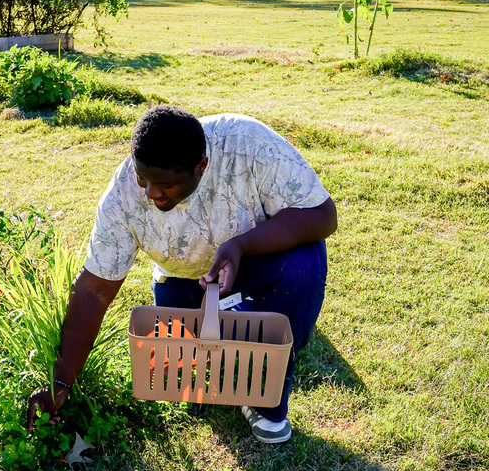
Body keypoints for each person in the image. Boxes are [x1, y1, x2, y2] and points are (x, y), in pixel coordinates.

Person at [27, 105, 337, 444]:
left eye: (165, 185)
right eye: (143, 179)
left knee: (302, 267)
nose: (151, 194)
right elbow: (94, 291)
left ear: (200, 167)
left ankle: (264, 392)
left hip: (257, 260)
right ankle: (232, 319)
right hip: (182, 280)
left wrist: (241, 246)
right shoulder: (122, 196)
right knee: (187, 370)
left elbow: (322, 215)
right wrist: (62, 382)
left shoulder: (247, 144)